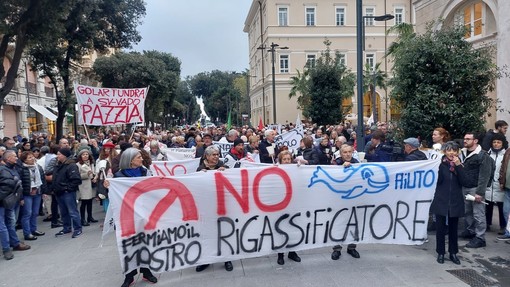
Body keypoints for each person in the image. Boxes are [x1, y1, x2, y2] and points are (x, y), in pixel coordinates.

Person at [110, 148, 158, 287]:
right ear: (131, 160)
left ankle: (146, 271)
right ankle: (129, 275)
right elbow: (114, 196)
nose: (142, 159)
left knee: (145, 243)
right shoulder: (118, 176)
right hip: (127, 217)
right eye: (138, 157)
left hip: (143, 214)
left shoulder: (145, 171)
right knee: (129, 245)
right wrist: (108, 186)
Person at [195, 145, 233, 272]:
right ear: (207, 156)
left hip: (222, 206)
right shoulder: (200, 169)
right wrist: (201, 175)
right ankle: (207, 259)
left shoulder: (222, 166)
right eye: (214, 155)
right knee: (207, 234)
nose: (216, 157)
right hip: (207, 208)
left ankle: (227, 259)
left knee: (224, 233)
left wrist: (226, 171)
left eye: (217, 154)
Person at [430, 141, 465, 265]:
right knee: (440, 229)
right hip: (441, 200)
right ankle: (440, 252)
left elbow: (465, 181)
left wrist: (459, 166)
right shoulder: (439, 165)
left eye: (454, 150)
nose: (452, 153)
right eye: (449, 150)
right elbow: (436, 181)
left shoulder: (460, 164)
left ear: (457, 152)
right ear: (444, 152)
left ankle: (453, 253)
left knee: (453, 229)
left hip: (455, 201)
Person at [459, 131, 493, 248]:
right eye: (464, 138)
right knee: (467, 212)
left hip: (475, 189)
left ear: (475, 141)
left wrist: (480, 192)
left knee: (478, 214)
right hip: (465, 187)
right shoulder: (462, 153)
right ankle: (470, 231)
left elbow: (485, 175)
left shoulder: (482, 155)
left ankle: (480, 238)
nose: (465, 141)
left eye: (468, 139)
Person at [331, 144, 361, 260]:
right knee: (338, 224)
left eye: (350, 152)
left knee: (354, 224)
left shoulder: (357, 163)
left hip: (354, 199)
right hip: (339, 200)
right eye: (345, 152)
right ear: (341, 153)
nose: (348, 154)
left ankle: (352, 247)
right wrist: (341, 169)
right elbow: (332, 177)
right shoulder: (335, 163)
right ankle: (336, 249)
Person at [0, 150, 31, 260]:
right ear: (8, 158)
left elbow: (16, 183)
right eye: (14, 157)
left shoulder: (12, 168)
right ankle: (6, 248)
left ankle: (15, 243)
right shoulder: (3, 170)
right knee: (2, 226)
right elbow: (7, 185)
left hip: (9, 201)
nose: (16, 158)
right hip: (3, 202)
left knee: (10, 223)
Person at [275, 150, 302, 265]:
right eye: (284, 159)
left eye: (288, 159)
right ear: (280, 161)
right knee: (280, 229)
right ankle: (280, 254)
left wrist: (300, 168)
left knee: (293, 228)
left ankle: (292, 252)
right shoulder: (276, 171)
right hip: (280, 205)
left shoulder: (296, 169)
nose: (287, 161)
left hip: (293, 204)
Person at [52, 148, 83, 238]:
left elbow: (76, 179)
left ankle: (77, 228)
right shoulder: (58, 165)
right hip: (59, 192)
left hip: (67, 192)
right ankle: (67, 227)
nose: (57, 156)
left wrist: (67, 188)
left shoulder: (71, 165)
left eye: (59, 154)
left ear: (64, 155)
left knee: (72, 211)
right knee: (63, 212)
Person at [19, 151, 47, 241]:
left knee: (35, 213)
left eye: (32, 157)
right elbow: (20, 184)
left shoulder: (38, 167)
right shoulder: (22, 169)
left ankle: (34, 229)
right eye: (29, 158)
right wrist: (21, 197)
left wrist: (44, 191)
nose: (32, 159)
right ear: (25, 161)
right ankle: (27, 233)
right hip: (27, 193)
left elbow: (43, 179)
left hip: (38, 191)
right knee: (27, 213)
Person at [485, 133, 507, 234]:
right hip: (489, 185)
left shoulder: (506, 155)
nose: (496, 144)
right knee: (487, 205)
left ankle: (503, 226)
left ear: (502, 144)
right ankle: (487, 224)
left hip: (500, 185)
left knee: (502, 207)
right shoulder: (487, 154)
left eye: (498, 142)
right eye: (494, 142)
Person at [76, 149, 97, 227]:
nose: (85, 156)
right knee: (84, 202)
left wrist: (94, 177)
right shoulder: (78, 165)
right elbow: (77, 176)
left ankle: (90, 217)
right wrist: (86, 174)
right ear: (80, 156)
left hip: (91, 185)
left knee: (90, 202)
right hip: (83, 186)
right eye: (83, 154)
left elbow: (94, 172)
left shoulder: (91, 163)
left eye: (87, 154)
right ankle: (82, 219)